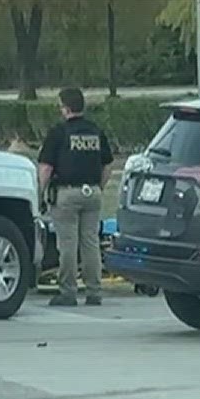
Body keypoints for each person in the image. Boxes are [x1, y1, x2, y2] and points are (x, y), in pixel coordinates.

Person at [38, 86, 117, 307]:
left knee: (68, 244)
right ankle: (94, 292)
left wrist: (41, 193)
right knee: (90, 243)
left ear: (65, 108)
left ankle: (68, 292)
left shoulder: (58, 132)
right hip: (92, 192)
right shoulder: (95, 131)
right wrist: (99, 187)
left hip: (67, 194)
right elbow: (108, 165)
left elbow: (45, 167)